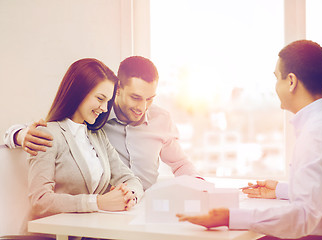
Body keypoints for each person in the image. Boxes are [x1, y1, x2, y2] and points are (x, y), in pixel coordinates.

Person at [176, 40, 322, 240]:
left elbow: (303, 217)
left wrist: (229, 217)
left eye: (277, 78)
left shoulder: (317, 134)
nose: (275, 87)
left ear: (291, 81)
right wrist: (279, 189)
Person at [4, 56, 199, 190]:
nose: (143, 107)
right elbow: (54, 125)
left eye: (150, 98)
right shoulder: (95, 116)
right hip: (106, 211)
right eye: (136, 97)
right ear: (118, 88)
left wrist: (199, 186)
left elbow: (180, 163)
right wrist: (20, 135)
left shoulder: (161, 119)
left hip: (146, 208)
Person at [27, 58, 143, 221]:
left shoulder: (98, 136)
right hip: (50, 235)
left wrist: (129, 196)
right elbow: (40, 201)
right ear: (79, 92)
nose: (104, 109)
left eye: (108, 102)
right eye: (100, 98)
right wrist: (98, 202)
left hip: (86, 232)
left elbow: (130, 179)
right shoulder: (47, 134)